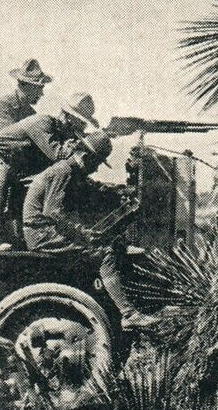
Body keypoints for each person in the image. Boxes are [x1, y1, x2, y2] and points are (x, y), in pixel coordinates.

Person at [22, 132, 157, 330]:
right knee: (103, 254)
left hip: (46, 231)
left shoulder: (70, 171)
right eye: (96, 164)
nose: (95, 169)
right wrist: (83, 234)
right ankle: (129, 314)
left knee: (110, 244)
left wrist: (117, 191)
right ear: (85, 157)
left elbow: (94, 188)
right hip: (42, 234)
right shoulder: (63, 172)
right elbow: (53, 213)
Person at [0, 92, 100, 239]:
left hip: (14, 164)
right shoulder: (43, 123)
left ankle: (19, 234)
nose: (82, 127)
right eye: (81, 122)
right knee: (2, 178)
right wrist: (79, 146)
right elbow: (57, 155)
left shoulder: (59, 131)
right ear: (68, 117)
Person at [0, 58, 52, 156]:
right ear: (24, 86)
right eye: (38, 88)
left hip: (8, 155)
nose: (41, 94)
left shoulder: (30, 112)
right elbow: (8, 140)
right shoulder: (3, 105)